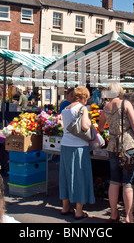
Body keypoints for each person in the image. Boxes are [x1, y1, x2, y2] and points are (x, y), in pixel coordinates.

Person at [98, 82, 134, 223]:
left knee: (114, 181)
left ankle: (113, 214)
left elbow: (100, 128)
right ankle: (129, 217)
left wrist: (111, 130)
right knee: (127, 183)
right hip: (128, 146)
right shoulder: (126, 104)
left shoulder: (105, 108)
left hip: (113, 146)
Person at [59, 86, 95, 220]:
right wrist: (91, 122)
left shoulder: (65, 109)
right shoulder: (82, 108)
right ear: (84, 98)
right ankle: (79, 211)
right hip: (79, 147)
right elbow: (85, 126)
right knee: (79, 177)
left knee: (66, 176)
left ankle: (65, 207)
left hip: (65, 145)